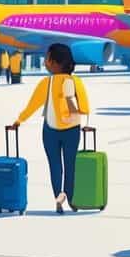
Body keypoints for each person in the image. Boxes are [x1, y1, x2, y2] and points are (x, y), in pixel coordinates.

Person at [10, 43, 89, 214]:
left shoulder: (46, 82)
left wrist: (19, 120)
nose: (45, 62)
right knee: (70, 165)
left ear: (56, 62)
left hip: (50, 130)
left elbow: (33, 105)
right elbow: (84, 104)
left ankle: (58, 199)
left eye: (47, 59)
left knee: (55, 166)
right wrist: (83, 115)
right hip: (72, 128)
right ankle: (70, 198)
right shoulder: (75, 81)